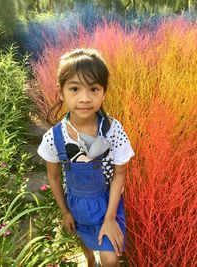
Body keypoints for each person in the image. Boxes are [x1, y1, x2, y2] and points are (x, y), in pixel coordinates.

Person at [37, 48, 135, 267]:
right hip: (77, 204)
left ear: (104, 92)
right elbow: (53, 178)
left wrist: (110, 217)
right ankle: (90, 261)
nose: (84, 98)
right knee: (87, 246)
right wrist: (65, 212)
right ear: (61, 92)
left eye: (93, 89)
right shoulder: (54, 138)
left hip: (108, 201)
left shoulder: (112, 130)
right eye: (74, 89)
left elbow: (120, 174)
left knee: (110, 259)